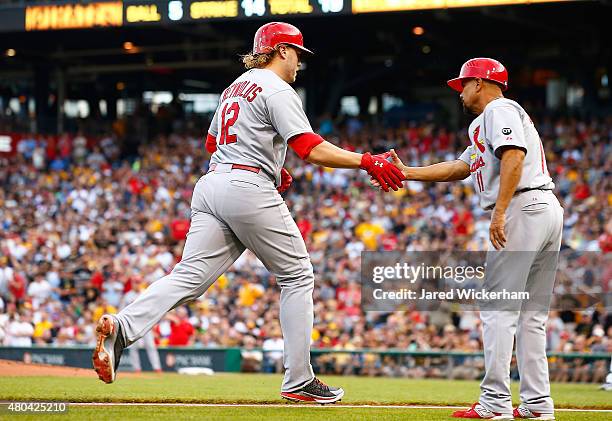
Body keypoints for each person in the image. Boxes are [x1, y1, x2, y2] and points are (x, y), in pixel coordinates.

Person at [92, 21, 404, 405]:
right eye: (297, 55)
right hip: (246, 186)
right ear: (283, 50)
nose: (299, 64)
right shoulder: (278, 88)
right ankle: (299, 380)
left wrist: (271, 162)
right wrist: (366, 161)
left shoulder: (232, 88)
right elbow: (310, 148)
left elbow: (212, 142)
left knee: (188, 277)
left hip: (212, 184)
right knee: (297, 275)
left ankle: (122, 326)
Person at [384, 58, 562, 420]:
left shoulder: (499, 108)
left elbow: (514, 156)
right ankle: (537, 405)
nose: (460, 92)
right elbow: (460, 167)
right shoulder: (486, 122)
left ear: (480, 83)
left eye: (463, 85)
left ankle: (495, 403)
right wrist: (408, 172)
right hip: (541, 208)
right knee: (531, 316)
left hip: (522, 207)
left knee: (498, 309)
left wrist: (499, 211)